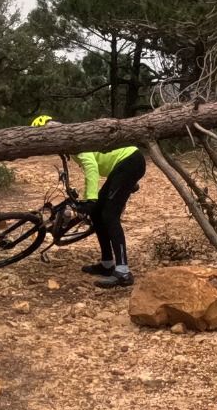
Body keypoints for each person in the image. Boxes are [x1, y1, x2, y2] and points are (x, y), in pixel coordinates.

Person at [30, 114, 146, 289]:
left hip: (129, 161)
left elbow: (91, 167)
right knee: (97, 214)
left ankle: (123, 272)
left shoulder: (74, 141)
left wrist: (90, 199)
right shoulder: (69, 143)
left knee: (110, 215)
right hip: (122, 165)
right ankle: (107, 264)